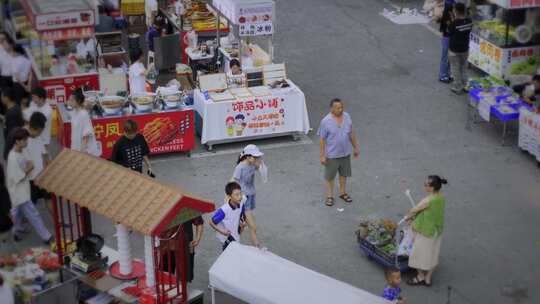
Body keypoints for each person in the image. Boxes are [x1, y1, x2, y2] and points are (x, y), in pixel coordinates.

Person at [6, 128, 53, 244]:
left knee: (16, 214)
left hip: (20, 191)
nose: (27, 142)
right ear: (17, 141)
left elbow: (28, 162)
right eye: (25, 140)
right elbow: (18, 176)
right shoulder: (13, 157)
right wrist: (29, 168)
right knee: (32, 214)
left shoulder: (20, 152)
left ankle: (15, 231)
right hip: (18, 192)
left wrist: (29, 166)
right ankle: (46, 236)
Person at [405, 175, 448, 286]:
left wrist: (408, 218)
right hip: (437, 230)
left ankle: (420, 276)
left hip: (426, 231)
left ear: (432, 188)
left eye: (426, 185)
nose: (424, 186)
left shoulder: (427, 200)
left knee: (416, 254)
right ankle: (428, 278)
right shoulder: (441, 198)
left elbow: (414, 210)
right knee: (433, 254)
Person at [317, 98, 360, 206]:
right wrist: (322, 156)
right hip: (332, 154)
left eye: (341, 107)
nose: (340, 110)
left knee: (343, 174)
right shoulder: (325, 121)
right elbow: (322, 139)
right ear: (332, 108)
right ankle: (330, 196)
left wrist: (355, 147)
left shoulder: (347, 116)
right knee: (330, 176)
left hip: (345, 153)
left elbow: (351, 133)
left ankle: (342, 192)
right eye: (337, 108)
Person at [209, 182, 261, 251]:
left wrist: (242, 224)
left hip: (236, 236)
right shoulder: (224, 210)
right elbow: (211, 222)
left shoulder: (241, 202)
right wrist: (222, 232)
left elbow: (242, 215)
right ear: (229, 196)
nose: (240, 197)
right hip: (226, 239)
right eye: (236, 195)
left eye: (240, 193)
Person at [25, 112, 53, 218]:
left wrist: (48, 163)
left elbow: (44, 153)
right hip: (30, 179)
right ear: (35, 128)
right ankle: (17, 226)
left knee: (48, 199)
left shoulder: (38, 136)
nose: (41, 133)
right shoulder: (22, 138)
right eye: (40, 131)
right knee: (29, 206)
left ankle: (58, 222)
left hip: (42, 176)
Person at [160, 216, 204, 283]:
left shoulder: (189, 207)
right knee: (165, 274)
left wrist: (197, 239)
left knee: (184, 274)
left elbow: (199, 223)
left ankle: (182, 290)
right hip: (167, 245)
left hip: (184, 245)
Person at [448, 2, 472, 94]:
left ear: (456, 11)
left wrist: (452, 20)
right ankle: (466, 85)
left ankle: (457, 87)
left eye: (454, 9)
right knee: (463, 68)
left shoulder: (454, 23)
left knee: (455, 68)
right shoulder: (469, 21)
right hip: (465, 49)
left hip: (454, 49)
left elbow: (449, 32)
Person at [232, 144, 264, 212]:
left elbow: (259, 169)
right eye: (255, 157)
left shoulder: (252, 164)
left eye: (257, 157)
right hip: (244, 194)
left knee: (249, 210)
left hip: (251, 192)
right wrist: (236, 194)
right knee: (246, 211)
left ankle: (244, 220)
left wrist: (259, 163)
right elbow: (234, 180)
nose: (256, 158)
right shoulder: (240, 167)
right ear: (248, 157)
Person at [69, 89, 99, 156]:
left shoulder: (83, 114)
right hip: (76, 145)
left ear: (78, 101)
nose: (69, 102)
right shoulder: (73, 112)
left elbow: (86, 134)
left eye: (72, 100)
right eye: (69, 100)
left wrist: (82, 151)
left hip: (85, 149)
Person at [438, 0, 454, 83]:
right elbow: (444, 25)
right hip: (447, 35)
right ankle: (442, 75)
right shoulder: (447, 11)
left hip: (451, 35)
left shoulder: (452, 10)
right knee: (445, 55)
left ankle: (448, 74)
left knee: (451, 56)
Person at [0, 163, 14, 247]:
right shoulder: (2, 189)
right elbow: (7, 206)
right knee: (6, 245)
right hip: (3, 224)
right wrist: (12, 218)